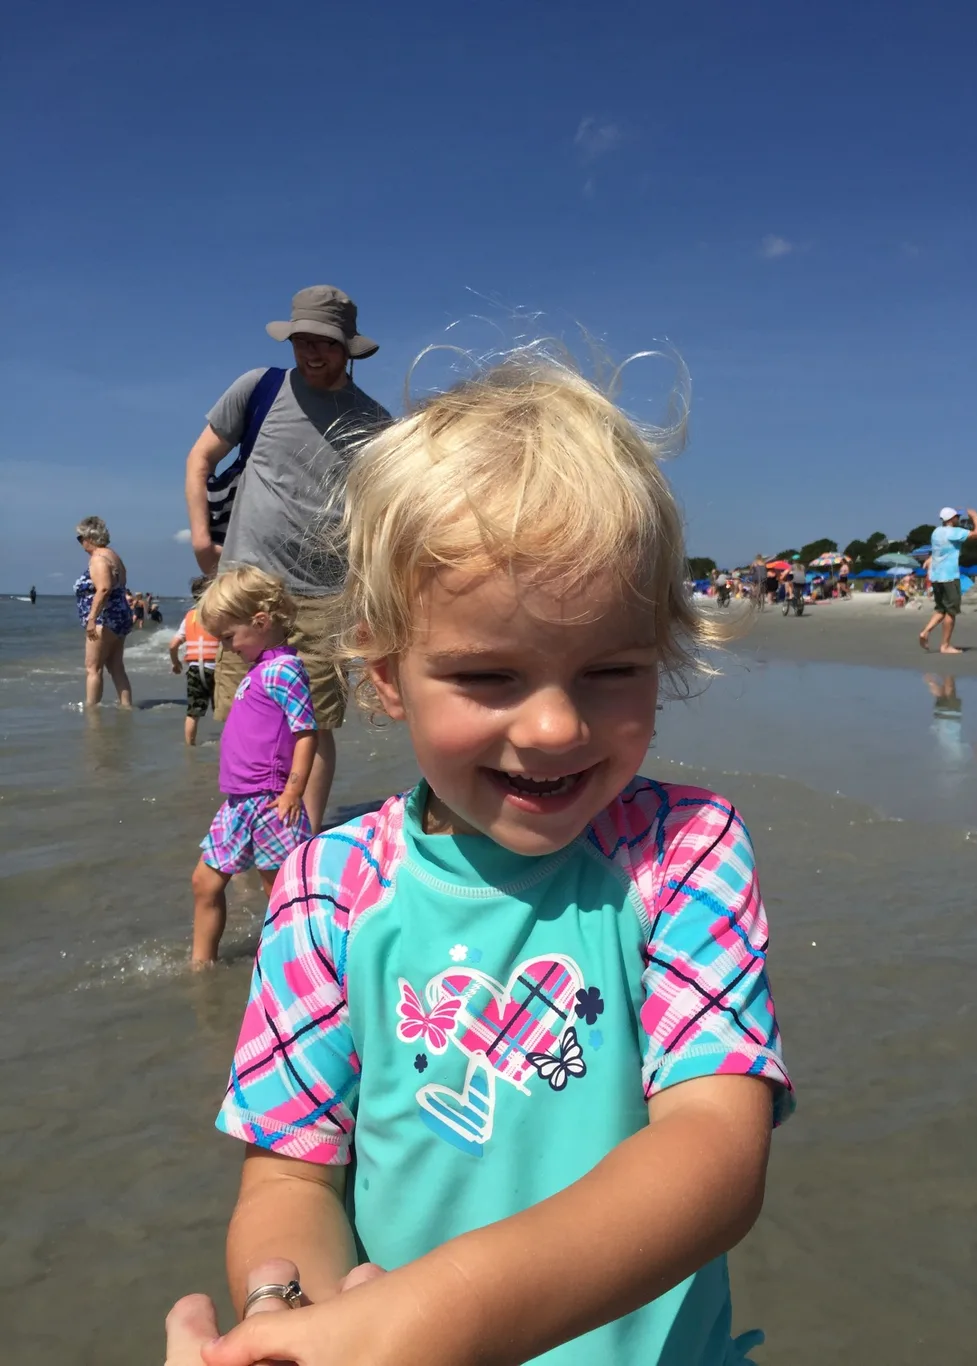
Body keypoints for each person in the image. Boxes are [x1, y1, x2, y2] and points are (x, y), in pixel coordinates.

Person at [170, 358, 793, 1366]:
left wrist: (431, 1321)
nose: (553, 726)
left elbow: (714, 1154)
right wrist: (288, 1310)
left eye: (611, 671)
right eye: (487, 674)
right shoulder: (326, 891)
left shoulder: (683, 851)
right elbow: (288, 1182)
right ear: (386, 678)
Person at [185, 285, 391, 834]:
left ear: (348, 347)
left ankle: (306, 840)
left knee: (316, 723)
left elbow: (384, 514)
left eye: (324, 342)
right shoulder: (259, 389)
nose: (311, 352)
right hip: (246, 583)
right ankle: (247, 825)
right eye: (302, 340)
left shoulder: (375, 423)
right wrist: (203, 540)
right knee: (239, 717)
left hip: (325, 597)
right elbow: (200, 458)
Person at [189, 566, 317, 967]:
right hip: (237, 803)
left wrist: (294, 791)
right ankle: (201, 967)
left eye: (229, 637)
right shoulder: (259, 670)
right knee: (204, 881)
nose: (226, 648)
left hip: (271, 802)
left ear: (260, 622)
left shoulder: (284, 669)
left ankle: (300, 965)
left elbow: (306, 732)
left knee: (278, 891)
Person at [73, 516, 133, 707]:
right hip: (119, 616)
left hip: (105, 619)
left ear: (89, 538)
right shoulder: (113, 556)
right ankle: (126, 708)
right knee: (116, 667)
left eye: (80, 538)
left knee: (93, 668)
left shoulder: (98, 559)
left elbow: (104, 588)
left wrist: (92, 619)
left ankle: (92, 712)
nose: (80, 543)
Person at [919, 506, 977, 654]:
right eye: (957, 517)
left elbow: (937, 551)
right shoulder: (954, 532)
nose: (958, 519)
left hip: (936, 576)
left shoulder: (936, 532)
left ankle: (925, 632)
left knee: (941, 609)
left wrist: (929, 560)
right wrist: (975, 517)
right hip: (949, 576)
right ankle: (945, 645)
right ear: (952, 519)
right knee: (951, 612)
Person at [169, 578, 219, 746]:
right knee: (226, 710)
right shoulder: (219, 615)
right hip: (217, 669)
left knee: (193, 712)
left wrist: (176, 663)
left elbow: (173, 645)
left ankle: (190, 746)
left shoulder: (190, 617)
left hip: (195, 669)